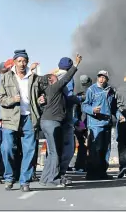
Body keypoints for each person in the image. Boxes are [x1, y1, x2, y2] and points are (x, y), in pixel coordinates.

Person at [0, 50, 43, 192]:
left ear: (27, 62)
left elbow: (41, 94)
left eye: (24, 61)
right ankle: (9, 177)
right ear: (15, 62)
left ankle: (25, 181)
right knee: (7, 148)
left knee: (29, 150)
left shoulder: (34, 77)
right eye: (19, 61)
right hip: (11, 118)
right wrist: (12, 100)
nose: (22, 64)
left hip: (29, 117)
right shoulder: (6, 77)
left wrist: (42, 99)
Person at [39, 54, 82, 187]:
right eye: (54, 77)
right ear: (52, 81)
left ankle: (46, 178)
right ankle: (55, 177)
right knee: (58, 152)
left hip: (49, 121)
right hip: (55, 121)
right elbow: (67, 80)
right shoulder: (57, 85)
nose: (57, 76)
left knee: (53, 152)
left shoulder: (48, 88)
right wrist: (76, 65)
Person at [82, 70, 125, 180]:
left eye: (104, 77)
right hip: (95, 125)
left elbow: (114, 107)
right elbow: (84, 106)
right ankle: (91, 173)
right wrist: (92, 110)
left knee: (106, 149)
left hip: (107, 124)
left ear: (107, 79)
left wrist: (119, 116)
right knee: (95, 149)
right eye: (100, 77)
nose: (101, 79)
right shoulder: (91, 89)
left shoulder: (110, 90)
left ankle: (102, 172)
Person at [54, 57, 84, 183]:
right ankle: (60, 174)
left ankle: (52, 173)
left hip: (53, 118)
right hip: (66, 119)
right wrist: (81, 99)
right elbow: (69, 97)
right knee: (68, 148)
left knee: (54, 148)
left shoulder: (52, 77)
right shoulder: (68, 79)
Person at [72, 75, 93, 172]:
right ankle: (82, 165)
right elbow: (76, 112)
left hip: (83, 123)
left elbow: (76, 112)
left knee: (83, 144)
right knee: (85, 144)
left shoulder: (79, 94)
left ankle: (81, 165)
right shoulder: (87, 95)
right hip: (85, 123)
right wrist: (80, 124)